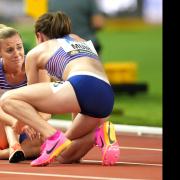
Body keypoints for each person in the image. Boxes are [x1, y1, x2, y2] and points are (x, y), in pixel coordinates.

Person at [1, 11, 120, 167]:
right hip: (105, 97)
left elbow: (31, 99)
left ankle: (52, 136)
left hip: (82, 85)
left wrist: (20, 123)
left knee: (7, 99)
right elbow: (75, 98)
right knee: (63, 155)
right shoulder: (82, 41)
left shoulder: (38, 51)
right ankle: (99, 134)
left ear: (39, 36)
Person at [0, 25, 43, 162]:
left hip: (27, 127)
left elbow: (46, 110)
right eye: (9, 50)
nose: (17, 53)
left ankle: (15, 149)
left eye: (19, 47)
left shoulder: (36, 67)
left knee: (43, 142)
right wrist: (16, 122)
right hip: (4, 127)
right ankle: (13, 146)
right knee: (10, 106)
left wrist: (31, 122)